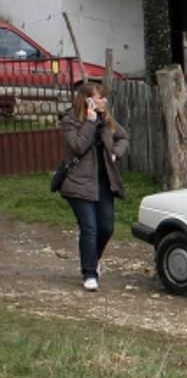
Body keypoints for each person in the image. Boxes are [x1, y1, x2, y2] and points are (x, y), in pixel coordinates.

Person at [58, 82, 128, 291]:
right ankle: (89, 273)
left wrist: (115, 153)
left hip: (104, 182)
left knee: (107, 226)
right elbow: (78, 146)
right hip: (78, 182)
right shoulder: (70, 121)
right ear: (87, 100)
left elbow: (122, 137)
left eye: (104, 97)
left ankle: (92, 258)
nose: (104, 101)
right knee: (89, 228)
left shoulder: (106, 119)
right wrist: (90, 122)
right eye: (100, 97)